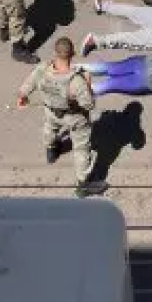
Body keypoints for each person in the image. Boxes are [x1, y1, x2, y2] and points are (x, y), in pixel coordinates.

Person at [17, 37, 107, 198]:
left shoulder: (42, 69)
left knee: (49, 128)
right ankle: (83, 184)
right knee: (81, 148)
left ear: (55, 53)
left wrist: (22, 97)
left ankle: (51, 151)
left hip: (51, 111)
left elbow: (26, 87)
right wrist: (87, 84)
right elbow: (89, 105)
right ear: (72, 54)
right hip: (75, 117)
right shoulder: (76, 81)